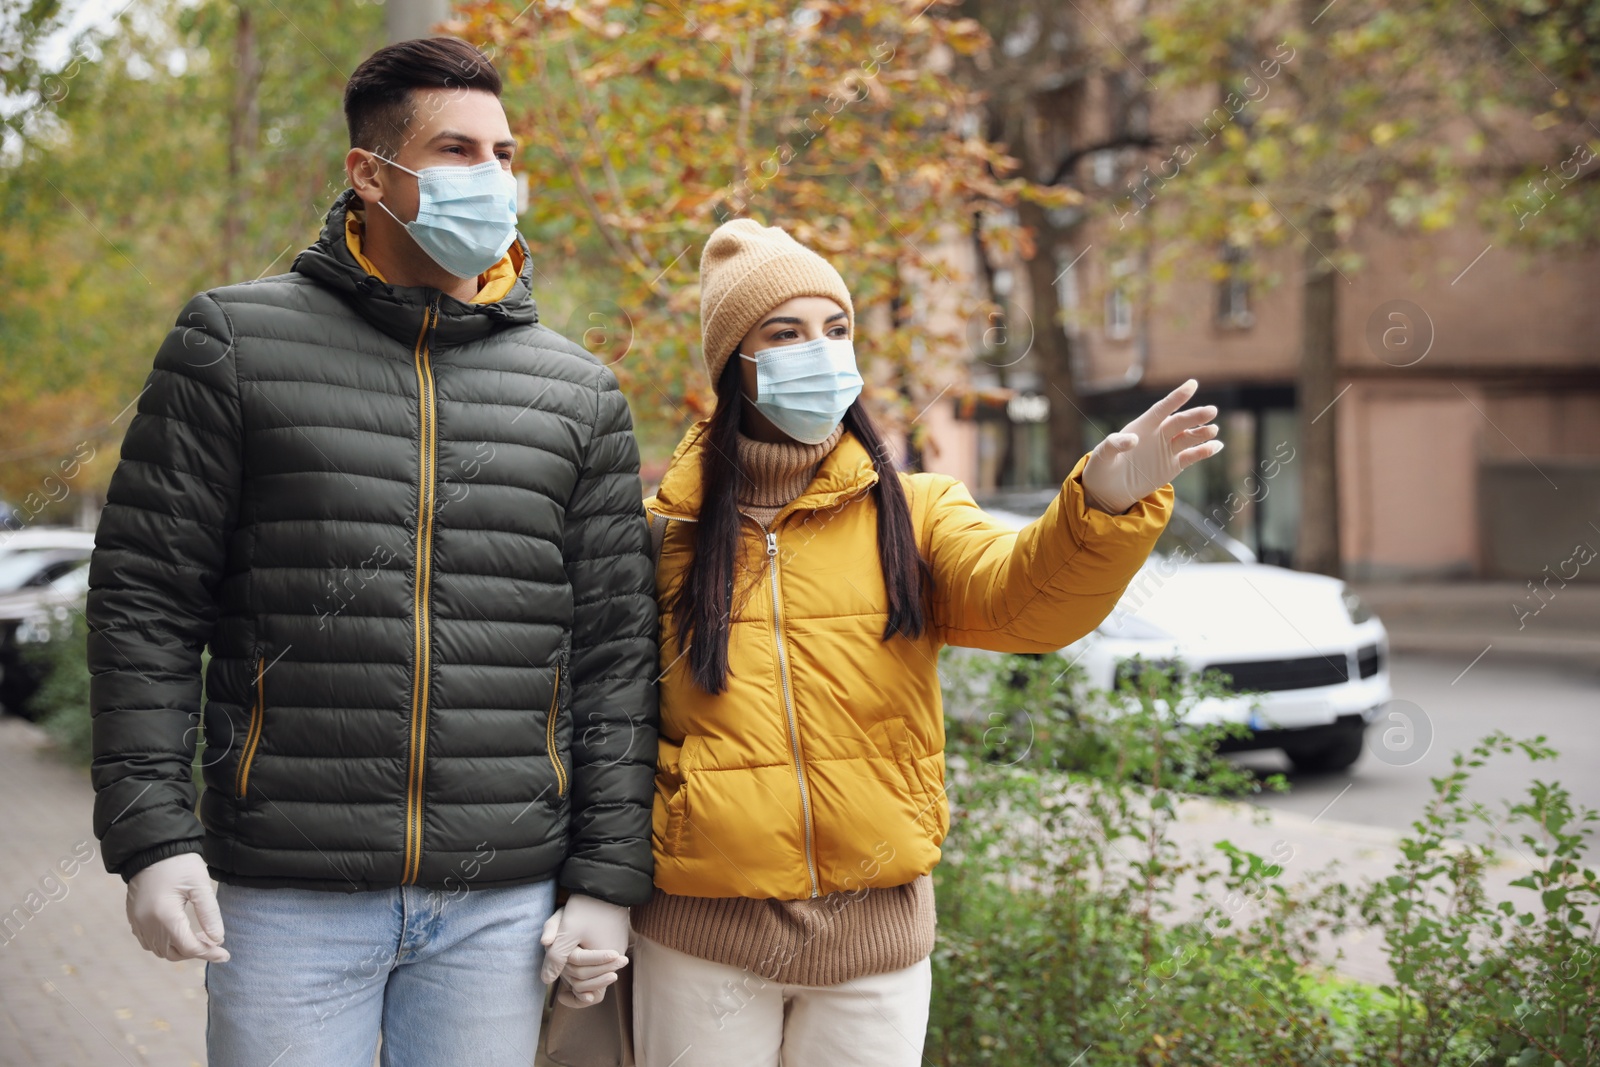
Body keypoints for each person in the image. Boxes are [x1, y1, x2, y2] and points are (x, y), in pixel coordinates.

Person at [86, 37, 657, 1067]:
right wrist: (151, 832)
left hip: (500, 902)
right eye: (455, 150)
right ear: (369, 172)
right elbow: (145, 603)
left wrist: (606, 879)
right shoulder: (233, 343)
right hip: (284, 898)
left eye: (503, 150)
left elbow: (616, 654)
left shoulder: (578, 392)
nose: (491, 176)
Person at [608, 219, 1222, 1066]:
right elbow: (609, 726)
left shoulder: (919, 509)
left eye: (836, 328)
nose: (818, 351)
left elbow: (1023, 605)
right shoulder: (663, 533)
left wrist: (1104, 504)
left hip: (874, 947)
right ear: (733, 365)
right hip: (702, 939)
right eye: (783, 333)